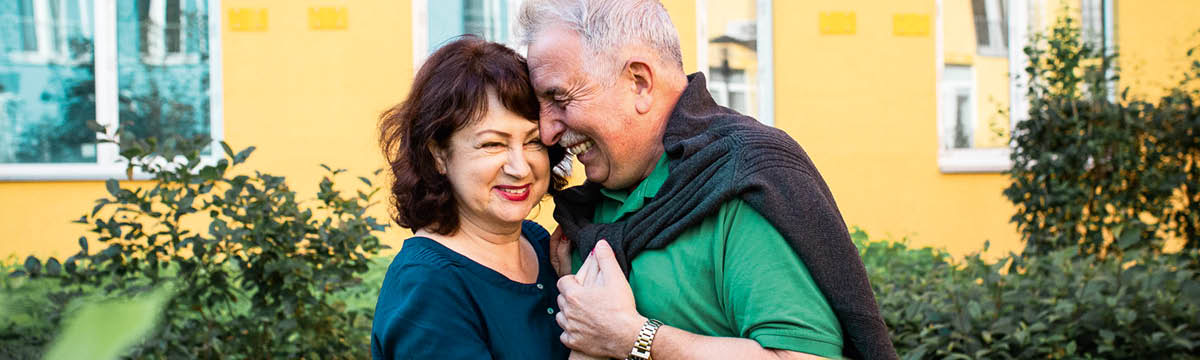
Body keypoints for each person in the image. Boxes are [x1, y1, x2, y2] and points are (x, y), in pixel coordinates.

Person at [516, 0, 899, 359]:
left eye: (560, 99)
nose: (547, 131)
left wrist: (636, 338)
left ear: (639, 83)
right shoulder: (587, 213)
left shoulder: (738, 179)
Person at [371, 36, 570, 360]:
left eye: (533, 142)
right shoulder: (428, 288)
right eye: (493, 144)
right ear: (438, 155)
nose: (520, 168)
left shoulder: (539, 244)